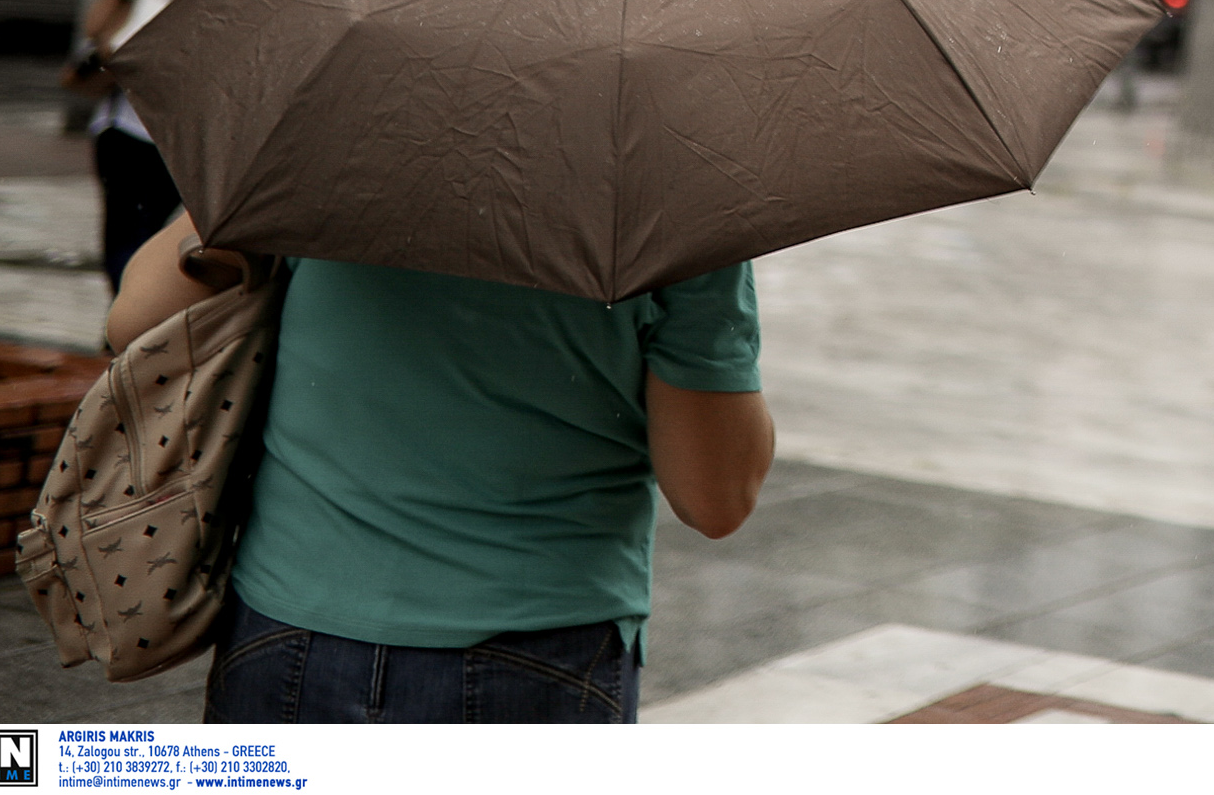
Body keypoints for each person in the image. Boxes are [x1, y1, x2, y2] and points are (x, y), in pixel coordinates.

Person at [103, 211, 776, 724]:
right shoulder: (676, 210)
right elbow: (715, 497)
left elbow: (136, 318)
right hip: (536, 650)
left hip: (287, 634)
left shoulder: (331, 153)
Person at [68, 0, 257, 289]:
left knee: (126, 236)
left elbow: (98, 24)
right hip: (196, 136)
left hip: (129, 125)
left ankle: (124, 326)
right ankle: (133, 326)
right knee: (155, 236)